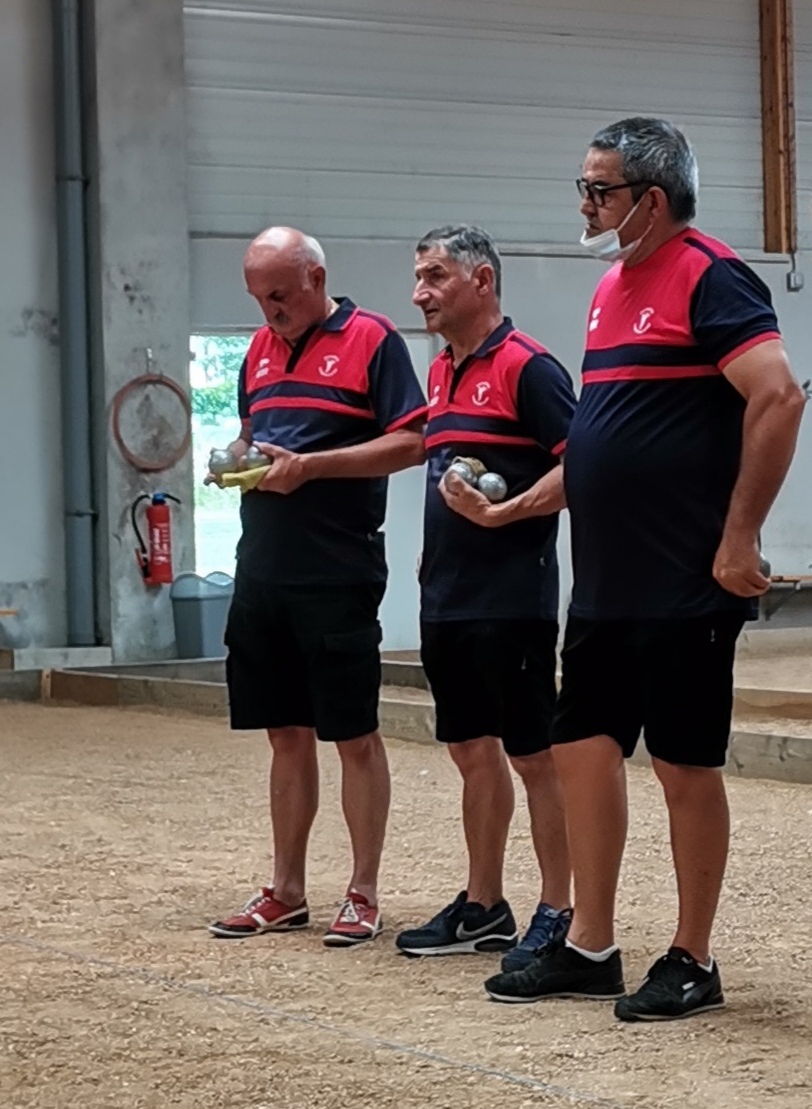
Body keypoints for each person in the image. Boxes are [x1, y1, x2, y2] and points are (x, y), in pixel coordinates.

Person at [471, 118, 805, 1019]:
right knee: (583, 747)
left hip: (685, 577)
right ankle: (591, 943)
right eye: (583, 186)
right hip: (609, 582)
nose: (585, 203)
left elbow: (778, 397)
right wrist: (514, 507)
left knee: (683, 764)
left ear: (651, 200)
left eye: (599, 189)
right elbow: (602, 442)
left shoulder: (711, 275)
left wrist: (740, 537)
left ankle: (693, 958)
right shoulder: (612, 287)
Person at [208, 227, 426, 946]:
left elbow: (412, 441)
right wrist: (235, 458)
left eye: (279, 295)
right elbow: (251, 431)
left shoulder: (373, 339)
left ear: (315, 277)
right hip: (263, 567)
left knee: (353, 734)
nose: (269, 310)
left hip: (338, 569)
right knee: (284, 732)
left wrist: (312, 466)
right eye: (257, 298)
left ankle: (363, 890)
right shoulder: (260, 350)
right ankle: (287, 888)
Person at [395, 225, 576, 967]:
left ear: (482, 282)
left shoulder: (531, 369)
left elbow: (581, 469)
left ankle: (560, 908)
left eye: (435, 276)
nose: (419, 292)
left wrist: (503, 515)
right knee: (471, 751)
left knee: (535, 757)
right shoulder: (441, 371)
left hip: (512, 601)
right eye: (418, 276)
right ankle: (483, 904)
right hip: (447, 598)